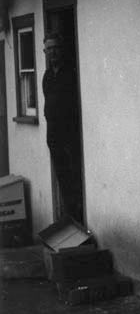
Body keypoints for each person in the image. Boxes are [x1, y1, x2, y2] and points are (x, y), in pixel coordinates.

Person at [42, 32, 83, 219]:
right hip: (54, 137)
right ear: (45, 52)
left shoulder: (71, 73)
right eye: (49, 49)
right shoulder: (47, 76)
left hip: (70, 136)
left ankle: (79, 218)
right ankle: (69, 218)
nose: (53, 53)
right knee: (63, 179)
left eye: (55, 48)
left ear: (61, 50)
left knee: (75, 178)